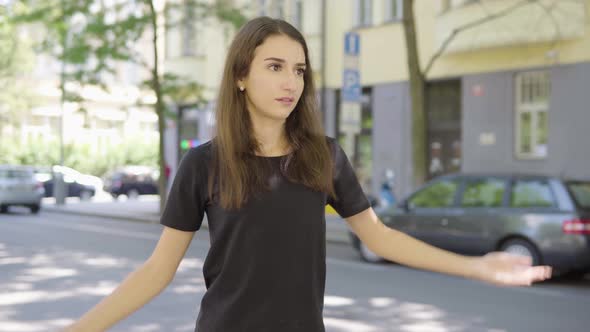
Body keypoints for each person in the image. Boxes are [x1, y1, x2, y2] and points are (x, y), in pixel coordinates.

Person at [64, 17, 552, 332]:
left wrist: (476, 267)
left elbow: (380, 239)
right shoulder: (204, 164)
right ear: (240, 76)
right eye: (275, 66)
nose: (290, 81)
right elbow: (156, 272)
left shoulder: (325, 157)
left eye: (299, 70)